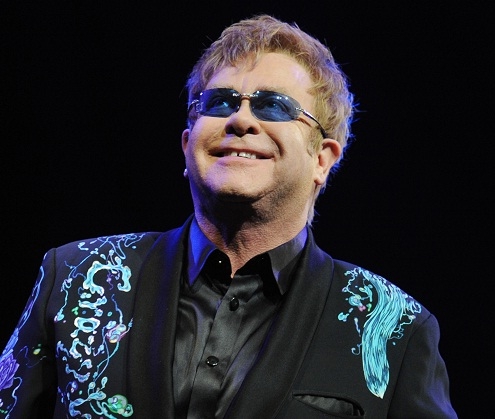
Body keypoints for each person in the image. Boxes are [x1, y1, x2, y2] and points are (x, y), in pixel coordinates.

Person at [0, 14, 457, 419]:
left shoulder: (396, 327)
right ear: (188, 145)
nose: (240, 119)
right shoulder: (73, 275)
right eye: (220, 102)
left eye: (273, 105)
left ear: (322, 159)